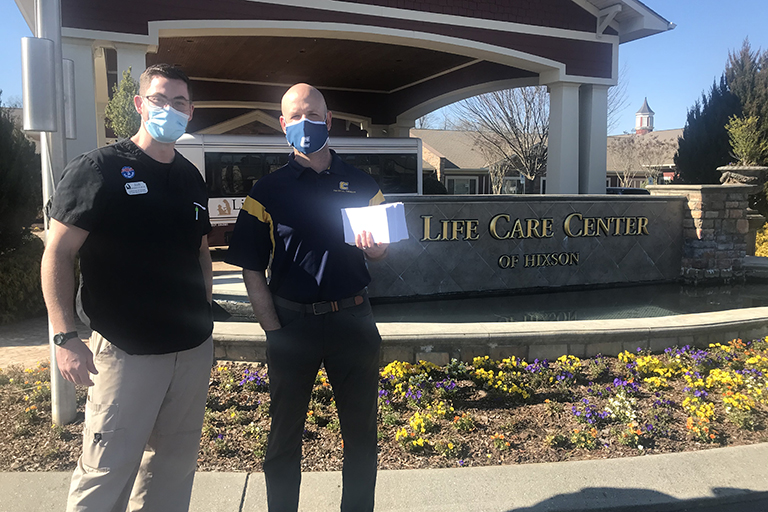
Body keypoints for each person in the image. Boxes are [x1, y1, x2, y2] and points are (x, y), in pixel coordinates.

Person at [41, 63, 214, 512]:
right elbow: (58, 252)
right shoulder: (99, 168)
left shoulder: (190, 177)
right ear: (139, 104)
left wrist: (206, 307)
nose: (170, 109)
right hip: (125, 351)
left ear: (190, 111)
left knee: (171, 471)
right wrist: (64, 336)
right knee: (106, 473)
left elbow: (200, 251)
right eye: (160, 99)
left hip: (190, 350)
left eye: (180, 102)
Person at [225, 83, 388, 512]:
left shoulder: (361, 183)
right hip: (291, 325)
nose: (305, 123)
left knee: (361, 438)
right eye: (295, 116)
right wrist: (271, 327)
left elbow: (382, 250)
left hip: (354, 322)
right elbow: (250, 265)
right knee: (283, 439)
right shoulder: (266, 192)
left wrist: (375, 247)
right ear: (283, 125)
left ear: (329, 121)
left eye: (313, 115)